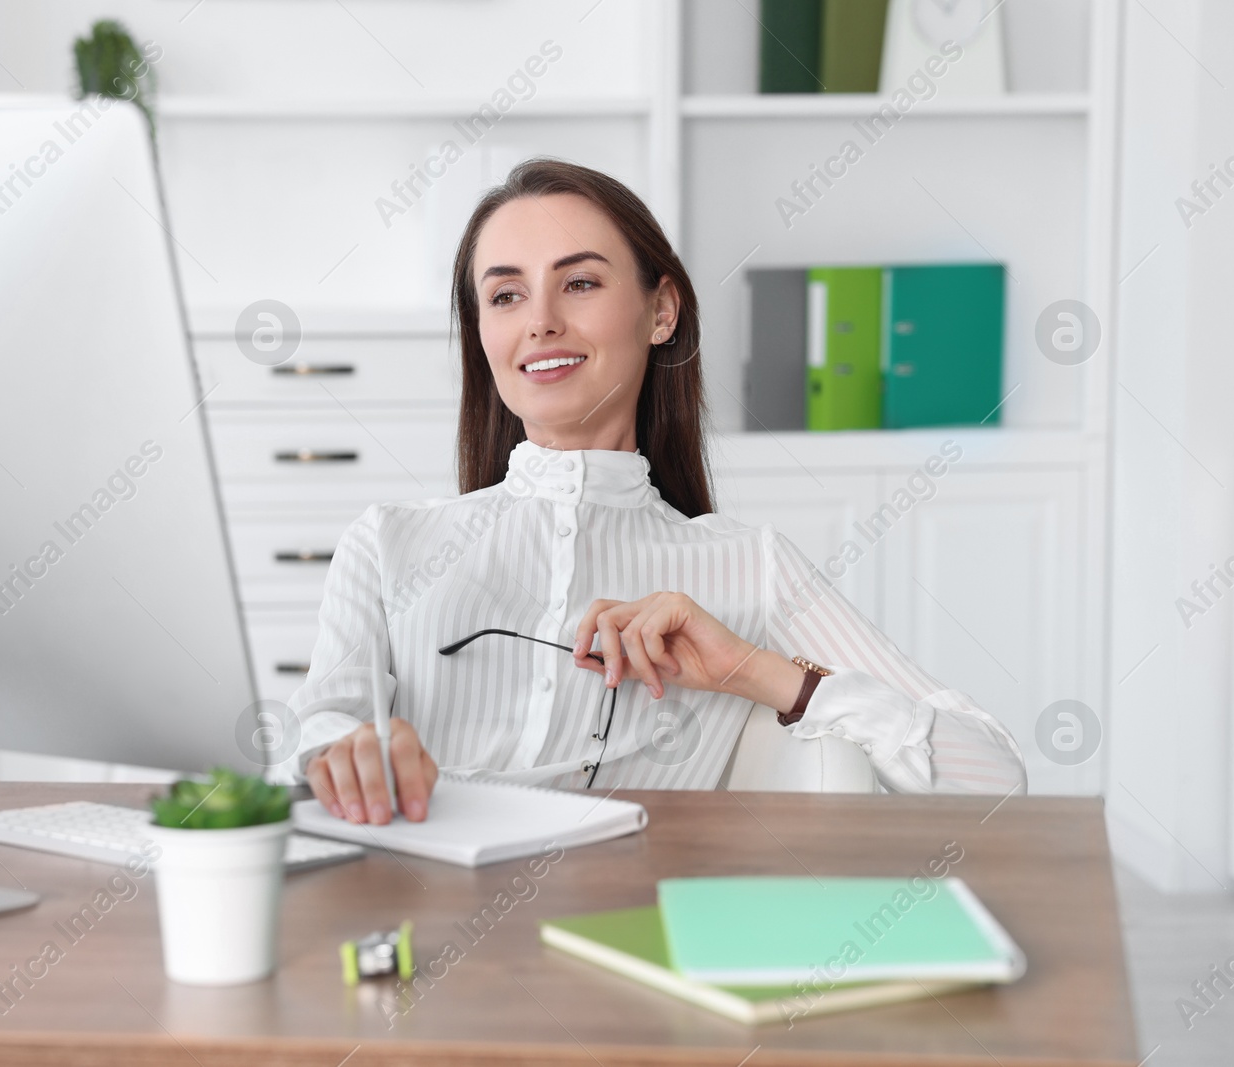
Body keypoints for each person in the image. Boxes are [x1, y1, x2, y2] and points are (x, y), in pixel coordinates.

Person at [280, 159, 1026, 825]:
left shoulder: (750, 567)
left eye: (579, 283)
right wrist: (344, 758)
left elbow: (994, 782)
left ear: (660, 311)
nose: (540, 322)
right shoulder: (387, 544)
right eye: (505, 295)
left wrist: (753, 670)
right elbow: (308, 755)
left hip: (623, 945)